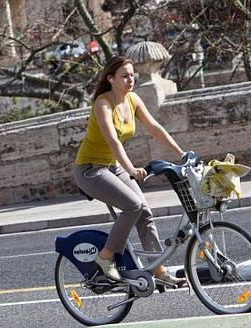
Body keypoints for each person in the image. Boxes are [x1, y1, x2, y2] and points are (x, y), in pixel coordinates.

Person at [74, 56, 187, 286]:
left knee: (144, 211)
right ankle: (105, 259)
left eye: (132, 75)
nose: (130, 79)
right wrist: (132, 169)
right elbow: (113, 141)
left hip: (112, 167)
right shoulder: (102, 104)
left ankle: (159, 271)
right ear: (111, 79)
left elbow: (154, 127)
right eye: (124, 76)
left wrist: (181, 153)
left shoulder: (133, 100)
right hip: (90, 170)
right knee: (132, 206)